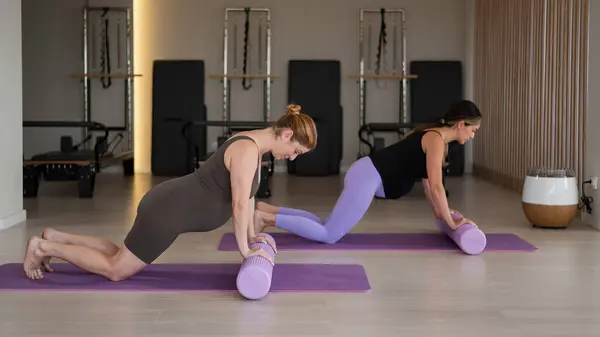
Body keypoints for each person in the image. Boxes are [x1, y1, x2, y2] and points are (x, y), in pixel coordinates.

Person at [23, 104, 317, 281]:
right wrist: (243, 251)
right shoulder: (247, 150)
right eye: (295, 151)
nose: (292, 157)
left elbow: (249, 197)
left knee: (120, 254)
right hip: (167, 212)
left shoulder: (256, 147)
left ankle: (56, 238)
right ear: (288, 135)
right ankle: (43, 248)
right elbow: (239, 204)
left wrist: (253, 237)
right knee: (117, 270)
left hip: (168, 206)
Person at [253, 100, 482, 244]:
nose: (473, 135)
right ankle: (266, 219)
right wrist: (451, 225)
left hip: (366, 174)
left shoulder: (436, 138)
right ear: (461, 124)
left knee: (326, 224)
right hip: (368, 176)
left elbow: (427, 183)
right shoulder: (436, 139)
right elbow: (436, 186)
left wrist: (442, 216)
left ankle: (267, 209)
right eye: (473, 130)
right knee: (329, 234)